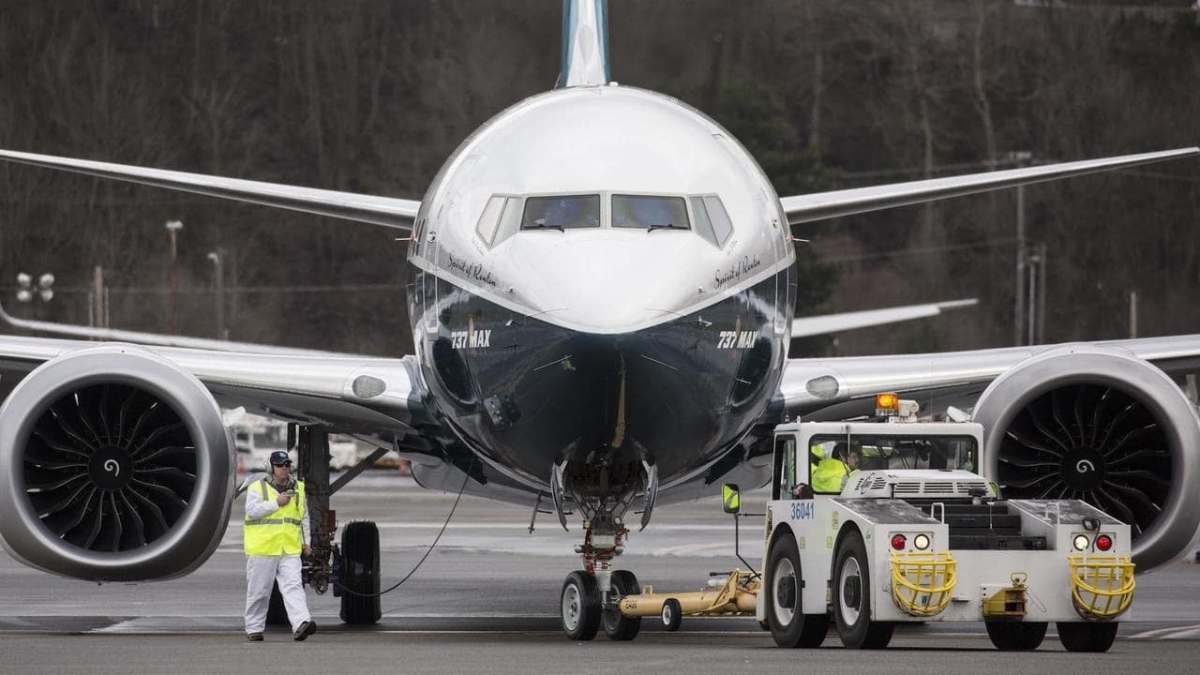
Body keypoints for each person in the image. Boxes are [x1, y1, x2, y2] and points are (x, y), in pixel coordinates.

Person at [243, 450, 317, 642]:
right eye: (279, 465)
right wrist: (276, 503)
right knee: (259, 590)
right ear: (271, 467)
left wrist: (306, 542)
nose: (284, 469)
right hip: (263, 548)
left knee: (294, 586)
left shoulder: (298, 488)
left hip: (289, 549)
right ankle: (254, 628)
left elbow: (303, 518)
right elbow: (252, 511)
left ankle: (301, 623)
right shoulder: (257, 487)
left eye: (286, 465)